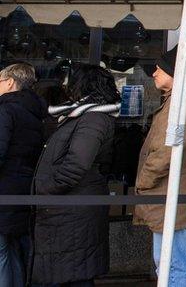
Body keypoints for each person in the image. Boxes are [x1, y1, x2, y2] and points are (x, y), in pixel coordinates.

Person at [133, 45, 186, 286]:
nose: (154, 73)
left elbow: (164, 151)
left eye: (159, 69)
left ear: (174, 71)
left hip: (172, 195)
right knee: (184, 260)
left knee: (173, 263)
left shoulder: (181, 101)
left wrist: (143, 182)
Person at [32, 64, 119, 287]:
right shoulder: (85, 114)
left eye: (71, 81)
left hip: (72, 208)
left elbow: (77, 164)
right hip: (69, 209)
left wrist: (46, 188)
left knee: (74, 275)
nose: (66, 86)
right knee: (68, 272)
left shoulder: (93, 118)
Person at [0, 63, 46, 287]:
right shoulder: (35, 113)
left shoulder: (5, 110)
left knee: (2, 254)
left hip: (4, 191)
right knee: (15, 253)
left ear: (10, 82)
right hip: (23, 191)